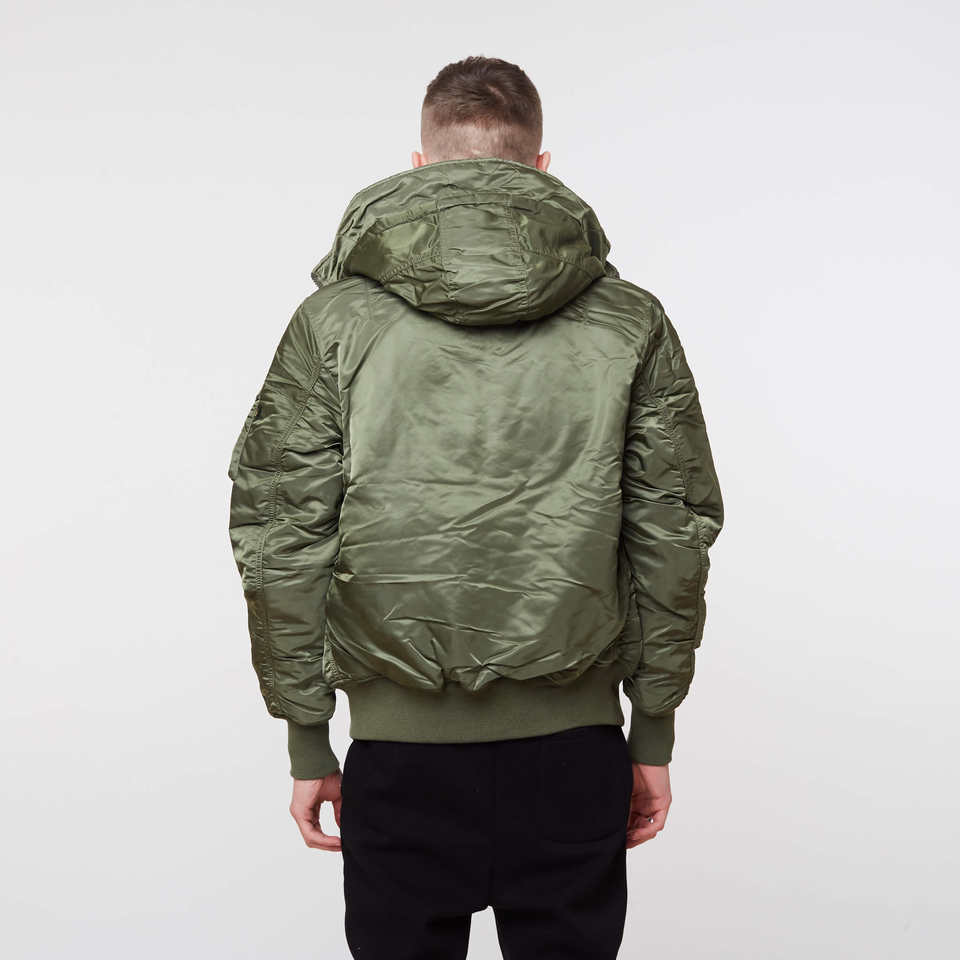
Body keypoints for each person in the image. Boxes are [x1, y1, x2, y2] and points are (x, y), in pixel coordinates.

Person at [227, 55, 724, 960]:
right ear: (540, 166)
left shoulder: (333, 324)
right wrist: (652, 731)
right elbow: (672, 529)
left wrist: (309, 739)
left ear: (421, 164)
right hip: (574, 751)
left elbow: (280, 531)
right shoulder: (629, 322)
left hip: (399, 756)